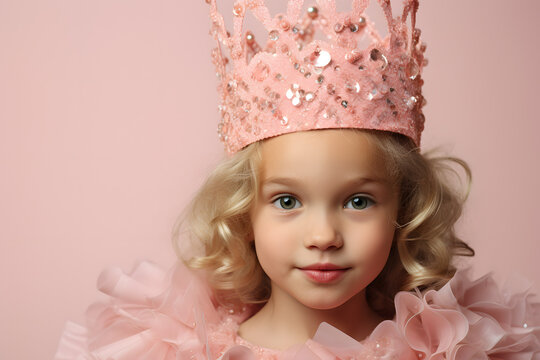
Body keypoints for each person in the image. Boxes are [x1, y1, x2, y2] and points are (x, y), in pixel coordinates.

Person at [54, 0, 540, 359]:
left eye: (357, 202)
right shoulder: (168, 349)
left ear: (404, 211)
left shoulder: (457, 349)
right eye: (287, 201)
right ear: (244, 214)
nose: (323, 237)